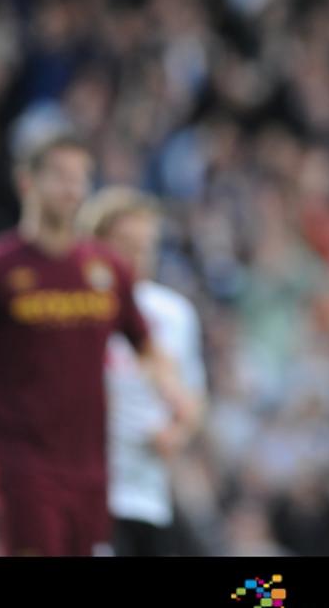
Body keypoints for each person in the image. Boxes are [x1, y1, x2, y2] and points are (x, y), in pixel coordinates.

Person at [0, 133, 198, 556]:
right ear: (26, 183)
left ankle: (270, 595)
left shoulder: (107, 272)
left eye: (81, 178)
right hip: (25, 466)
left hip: (96, 471)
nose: (72, 188)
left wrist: (176, 399)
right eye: (60, 176)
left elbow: (147, 347)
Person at [79, 187, 208, 557]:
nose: (139, 257)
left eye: (148, 245)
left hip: (151, 493)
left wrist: (177, 432)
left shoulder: (173, 314)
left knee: (260, 591)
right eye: (127, 245)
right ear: (96, 245)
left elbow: (194, 401)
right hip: (94, 494)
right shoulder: (75, 312)